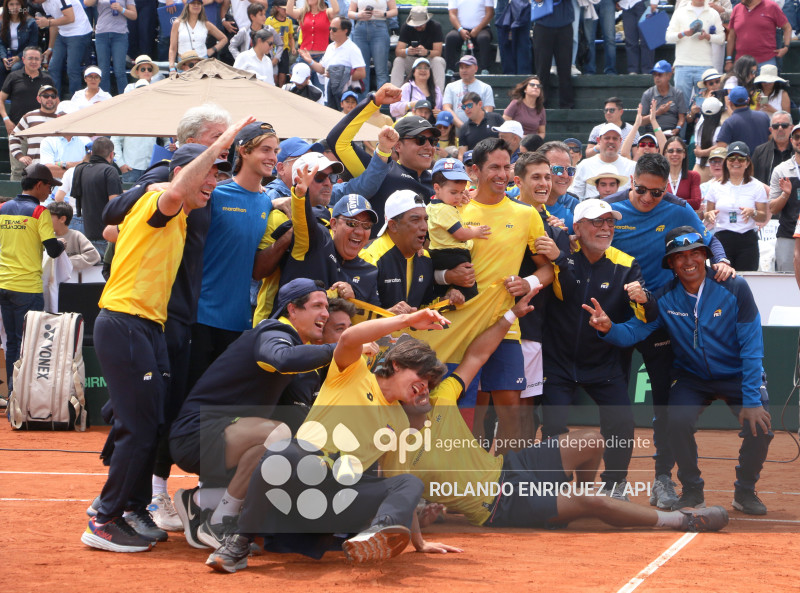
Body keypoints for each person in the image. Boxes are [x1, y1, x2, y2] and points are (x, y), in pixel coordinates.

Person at [386, 291, 729, 535]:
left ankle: (572, 505)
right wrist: (421, 519)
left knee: (593, 440)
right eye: (418, 378)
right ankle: (683, 521)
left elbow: (476, 355)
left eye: (428, 378)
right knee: (593, 501)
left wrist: (510, 316)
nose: (425, 385)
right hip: (498, 504)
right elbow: (398, 499)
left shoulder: (443, 397)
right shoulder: (394, 444)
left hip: (509, 468)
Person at [80, 122, 246, 553]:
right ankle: (104, 517)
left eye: (218, 175)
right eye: (207, 174)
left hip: (146, 326)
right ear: (183, 172)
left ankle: (129, 509)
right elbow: (174, 190)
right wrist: (221, 144)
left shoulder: (178, 218)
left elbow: (116, 226)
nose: (213, 182)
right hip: (125, 322)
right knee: (137, 427)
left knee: (148, 425)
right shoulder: (161, 200)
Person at [206, 307, 455, 572]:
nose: (424, 387)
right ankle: (239, 541)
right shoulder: (353, 372)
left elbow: (399, 484)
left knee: (410, 481)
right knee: (287, 451)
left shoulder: (400, 422)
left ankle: (375, 534)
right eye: (422, 376)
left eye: (430, 384)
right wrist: (406, 320)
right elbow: (349, 338)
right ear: (397, 364)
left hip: (338, 501)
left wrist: (420, 542)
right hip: (300, 486)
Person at [594, 226, 773, 515]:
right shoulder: (664, 298)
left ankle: (745, 490)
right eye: (680, 256)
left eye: (695, 253)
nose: (688, 261)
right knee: (673, 420)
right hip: (692, 378)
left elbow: (752, 348)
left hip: (737, 374)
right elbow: (634, 332)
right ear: (671, 264)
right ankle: (691, 488)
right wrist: (608, 329)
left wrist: (751, 400)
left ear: (705, 256)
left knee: (759, 426)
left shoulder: (734, 287)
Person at [604, 153, 735, 510]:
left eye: (656, 193)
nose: (648, 199)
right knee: (615, 405)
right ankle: (614, 482)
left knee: (664, 403)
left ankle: (662, 479)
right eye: (642, 190)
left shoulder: (678, 209)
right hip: (615, 316)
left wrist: (720, 261)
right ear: (631, 180)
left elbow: (710, 240)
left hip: (659, 316)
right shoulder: (609, 208)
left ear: (667, 189)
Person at [169, 278, 337, 549]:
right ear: (292, 310)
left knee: (285, 449)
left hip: (224, 436)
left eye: (326, 307)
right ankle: (220, 520)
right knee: (277, 435)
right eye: (317, 305)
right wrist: (336, 350)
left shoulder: (296, 348)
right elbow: (281, 358)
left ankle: (201, 502)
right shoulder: (272, 331)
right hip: (195, 435)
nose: (325, 314)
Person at [542, 199, 656, 499]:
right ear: (577, 228)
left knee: (621, 422)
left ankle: (615, 484)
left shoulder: (627, 265)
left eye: (610, 222)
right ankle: (556, 488)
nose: (605, 228)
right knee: (552, 425)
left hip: (604, 363)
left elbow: (644, 318)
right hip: (557, 362)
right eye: (597, 222)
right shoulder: (561, 256)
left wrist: (644, 300)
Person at [454, 137, 554, 453]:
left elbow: (547, 271)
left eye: (506, 166)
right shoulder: (454, 210)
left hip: (505, 324)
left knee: (510, 407)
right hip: (460, 326)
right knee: (464, 409)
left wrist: (528, 284)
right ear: (475, 171)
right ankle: (467, 479)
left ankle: (506, 484)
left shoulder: (526, 215)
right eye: (494, 167)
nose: (502, 174)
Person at [187, 121, 277, 391]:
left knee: (223, 403)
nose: (273, 157)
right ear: (243, 151)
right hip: (200, 318)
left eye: (276, 150)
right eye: (265, 149)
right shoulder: (215, 194)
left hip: (238, 322)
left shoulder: (266, 202)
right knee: (192, 397)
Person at [327, 87, 440, 226]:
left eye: (433, 141)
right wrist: (374, 102)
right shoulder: (379, 171)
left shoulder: (439, 182)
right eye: (420, 140)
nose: (429, 146)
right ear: (397, 145)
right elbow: (338, 141)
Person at [0, 163, 65, 394]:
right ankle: (25, 398)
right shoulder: (40, 212)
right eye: (49, 186)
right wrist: (61, 244)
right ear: (39, 185)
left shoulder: (3, 208)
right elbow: (53, 250)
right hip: (27, 288)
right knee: (29, 345)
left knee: (12, 343)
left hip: (3, 285)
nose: (50, 191)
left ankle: (13, 395)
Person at [426, 158, 489, 301]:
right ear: (437, 188)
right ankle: (453, 297)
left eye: (461, 192)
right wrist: (475, 232)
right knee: (469, 289)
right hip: (452, 254)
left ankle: (446, 296)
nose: (458, 197)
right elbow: (460, 234)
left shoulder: (432, 205)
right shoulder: (444, 209)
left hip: (440, 253)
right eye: (454, 192)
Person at [363, 189, 436, 311]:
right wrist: (389, 316)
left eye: (425, 219)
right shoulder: (370, 258)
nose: (424, 227)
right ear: (393, 225)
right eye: (415, 220)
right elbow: (356, 316)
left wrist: (445, 299)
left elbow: (425, 305)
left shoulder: (425, 258)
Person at [705, 141, 768, 271]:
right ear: (726, 161)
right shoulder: (715, 186)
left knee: (748, 280)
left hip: (747, 239)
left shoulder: (756, 186)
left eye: (741, 158)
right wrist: (709, 215)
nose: (736, 162)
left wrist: (753, 212)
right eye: (732, 158)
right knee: (721, 279)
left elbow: (763, 217)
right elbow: (707, 214)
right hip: (723, 238)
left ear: (748, 162)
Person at [0, 47, 54, 180]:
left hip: (40, 132)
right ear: (23, 60)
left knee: (39, 170)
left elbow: (53, 102)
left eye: (37, 58)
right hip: (18, 131)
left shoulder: (47, 79)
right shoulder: (13, 77)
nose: (34, 61)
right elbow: (1, 98)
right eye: (30, 58)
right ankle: (15, 199)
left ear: (41, 60)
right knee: (18, 170)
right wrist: (6, 119)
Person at [70, 136, 122, 258]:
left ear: (92, 153)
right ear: (111, 155)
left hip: (87, 232)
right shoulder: (110, 171)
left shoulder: (82, 170)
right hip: (106, 235)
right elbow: (114, 205)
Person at [665, 0, 725, 103]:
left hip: (705, 65)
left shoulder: (713, 13)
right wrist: (683, 33)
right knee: (681, 106)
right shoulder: (679, 12)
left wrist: (707, 36)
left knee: (704, 106)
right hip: (682, 65)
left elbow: (721, 38)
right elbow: (668, 37)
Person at [301, 17, 366, 110]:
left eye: (334, 29)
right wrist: (310, 61)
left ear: (345, 31)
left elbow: (362, 73)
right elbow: (323, 69)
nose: (331, 31)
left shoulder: (353, 49)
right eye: (330, 28)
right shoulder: (330, 47)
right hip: (329, 96)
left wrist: (338, 75)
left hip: (345, 99)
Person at [31, 0, 92, 95]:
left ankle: (75, 101)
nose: (34, 3)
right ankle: (55, 98)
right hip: (63, 33)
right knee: (53, 67)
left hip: (79, 32)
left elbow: (70, 18)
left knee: (72, 69)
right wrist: (50, 48)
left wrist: (48, 22)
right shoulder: (44, 4)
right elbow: (53, 25)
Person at [570, 123, 636, 200]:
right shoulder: (584, 165)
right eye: (607, 138)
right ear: (598, 140)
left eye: (615, 138)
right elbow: (576, 197)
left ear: (620, 141)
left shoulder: (632, 167)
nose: (611, 141)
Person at [84, 0, 137, 95]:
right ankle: (105, 100)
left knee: (119, 71)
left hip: (120, 34)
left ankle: (125, 99)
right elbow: (87, 3)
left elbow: (134, 15)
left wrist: (121, 9)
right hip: (102, 34)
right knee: (103, 71)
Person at [8, 84, 58, 182]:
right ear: (39, 99)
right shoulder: (29, 116)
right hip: (34, 170)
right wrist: (20, 156)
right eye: (46, 96)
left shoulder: (61, 118)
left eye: (53, 96)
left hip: (55, 170)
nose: (50, 99)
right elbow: (13, 137)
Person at [286, 0, 340, 89]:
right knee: (300, 89)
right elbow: (289, 11)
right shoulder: (303, 12)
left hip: (321, 57)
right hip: (304, 56)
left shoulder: (327, 12)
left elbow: (336, 10)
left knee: (320, 89)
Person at [768, 123, 800, 272]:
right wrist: (785, 195)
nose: (799, 140)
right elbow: (773, 208)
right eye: (796, 137)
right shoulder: (781, 169)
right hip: (788, 236)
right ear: (791, 140)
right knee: (786, 282)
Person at [391, 6, 445, 92]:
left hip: (429, 60)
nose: (418, 27)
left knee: (438, 60)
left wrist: (426, 52)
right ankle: (395, 93)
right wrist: (407, 51)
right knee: (398, 60)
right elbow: (398, 51)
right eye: (415, 24)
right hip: (412, 62)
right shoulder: (406, 27)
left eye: (420, 24)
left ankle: (438, 95)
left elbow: (438, 52)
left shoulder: (435, 26)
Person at [532, 0, 574, 109]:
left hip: (565, 24)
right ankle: (541, 105)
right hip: (542, 25)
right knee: (542, 69)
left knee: (565, 69)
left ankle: (567, 105)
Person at [348, 0, 396, 94]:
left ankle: (382, 104)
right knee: (361, 69)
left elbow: (394, 10)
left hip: (380, 28)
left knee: (381, 70)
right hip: (360, 28)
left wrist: (384, 13)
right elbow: (350, 12)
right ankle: (362, 104)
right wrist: (359, 15)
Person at [726, 0, 790, 70]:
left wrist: (786, 47)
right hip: (742, 63)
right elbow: (731, 36)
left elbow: (787, 27)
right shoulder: (737, 8)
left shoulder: (772, 6)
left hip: (766, 61)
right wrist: (728, 60)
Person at [168, 0, 227, 73]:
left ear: (201, 6)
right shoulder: (177, 23)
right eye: (193, 3)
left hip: (202, 62)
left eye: (198, 4)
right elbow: (172, 48)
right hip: (184, 63)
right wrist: (172, 67)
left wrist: (212, 50)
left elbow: (224, 38)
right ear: (187, 5)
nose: (196, 5)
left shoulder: (206, 24)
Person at [38, 101, 92, 179]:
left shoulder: (86, 140)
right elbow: (49, 170)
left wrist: (65, 164)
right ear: (59, 117)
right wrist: (80, 167)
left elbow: (91, 168)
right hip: (55, 190)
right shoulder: (48, 141)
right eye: (70, 116)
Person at [537, 140, 580, 233]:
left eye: (570, 170)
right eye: (557, 169)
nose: (565, 175)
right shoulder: (514, 198)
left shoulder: (573, 205)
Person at [442, 55, 494, 129]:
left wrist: (477, 126)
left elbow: (488, 111)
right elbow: (447, 108)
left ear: (476, 68)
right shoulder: (450, 87)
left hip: (479, 130)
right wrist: (463, 127)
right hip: (456, 132)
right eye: (461, 67)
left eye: (467, 67)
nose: (464, 70)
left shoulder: (485, 88)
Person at [46, 201, 100, 272]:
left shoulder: (76, 236)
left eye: (48, 217)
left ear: (62, 219)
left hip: (75, 280)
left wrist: (67, 262)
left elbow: (94, 256)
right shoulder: (47, 238)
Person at [444, 0, 494, 75]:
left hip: (482, 28)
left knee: (484, 38)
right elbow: (452, 14)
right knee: (450, 38)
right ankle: (450, 69)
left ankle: (485, 69)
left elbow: (490, 13)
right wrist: (460, 29)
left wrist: (477, 29)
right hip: (460, 29)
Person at [716, 86, 770, 154]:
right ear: (748, 100)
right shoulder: (764, 116)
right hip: (763, 162)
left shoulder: (729, 122)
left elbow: (720, 148)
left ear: (730, 103)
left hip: (740, 162)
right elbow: (772, 139)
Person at [640, 61, 687, 137]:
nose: (657, 78)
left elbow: (681, 118)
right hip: (652, 133)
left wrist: (677, 128)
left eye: (660, 74)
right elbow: (641, 121)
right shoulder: (648, 94)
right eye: (655, 75)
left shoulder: (677, 94)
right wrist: (657, 112)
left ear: (669, 75)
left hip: (671, 133)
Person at [0, 0, 38, 89]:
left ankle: (15, 94)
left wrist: (18, 57)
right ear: (7, 7)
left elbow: (33, 44)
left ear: (22, 6)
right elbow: (0, 43)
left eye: (17, 4)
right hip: (7, 53)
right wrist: (4, 57)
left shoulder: (31, 22)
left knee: (15, 68)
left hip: (24, 54)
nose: (15, 7)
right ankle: (2, 95)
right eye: (11, 4)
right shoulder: (2, 23)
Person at [752, 111, 793, 184]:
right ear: (771, 130)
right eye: (775, 126)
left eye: (784, 125)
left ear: (791, 128)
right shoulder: (760, 151)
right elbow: (753, 179)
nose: (780, 128)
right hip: (767, 194)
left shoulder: (797, 151)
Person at [663, 136, 702, 211]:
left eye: (679, 151)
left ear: (684, 154)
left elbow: (696, 203)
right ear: (665, 154)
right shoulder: (659, 177)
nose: (675, 154)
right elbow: (656, 202)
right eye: (671, 151)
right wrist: (684, 202)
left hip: (685, 220)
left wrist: (668, 203)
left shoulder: (693, 176)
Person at [619, 0, 657, 75]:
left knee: (646, 39)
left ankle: (647, 70)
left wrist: (654, 2)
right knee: (630, 41)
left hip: (643, 4)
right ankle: (632, 70)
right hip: (626, 6)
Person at [265, 0, 295, 87]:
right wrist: (275, 39)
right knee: (274, 74)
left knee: (283, 74)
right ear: (277, 8)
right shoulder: (270, 20)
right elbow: (265, 36)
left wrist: (293, 47)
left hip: (284, 50)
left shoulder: (289, 21)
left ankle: (281, 89)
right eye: (284, 9)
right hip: (272, 50)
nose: (286, 12)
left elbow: (291, 37)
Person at [583, 0, 618, 75]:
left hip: (607, 2)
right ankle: (589, 70)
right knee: (588, 39)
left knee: (610, 38)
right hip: (589, 2)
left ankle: (610, 70)